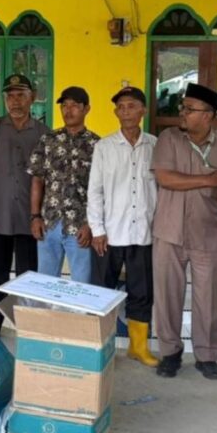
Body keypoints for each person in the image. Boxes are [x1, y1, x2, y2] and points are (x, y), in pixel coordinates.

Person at [152, 83, 217, 380]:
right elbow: (165, 178)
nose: (183, 112)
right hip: (169, 232)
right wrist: (208, 179)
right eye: (183, 107)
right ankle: (170, 353)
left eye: (189, 109)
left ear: (208, 115)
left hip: (208, 234)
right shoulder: (169, 139)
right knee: (167, 296)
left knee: (209, 299)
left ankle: (206, 356)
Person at [87, 86, 159, 367]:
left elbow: (161, 189)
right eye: (121, 107)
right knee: (102, 292)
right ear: (116, 112)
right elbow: (95, 191)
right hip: (110, 234)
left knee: (142, 291)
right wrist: (97, 229)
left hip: (144, 234)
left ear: (143, 110)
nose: (126, 111)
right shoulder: (104, 147)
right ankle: (100, 347)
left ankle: (138, 347)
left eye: (132, 106)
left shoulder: (155, 145)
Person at [0, 73, 48, 333]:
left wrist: (40, 216)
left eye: (21, 95)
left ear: (32, 98)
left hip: (30, 219)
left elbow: (47, 178)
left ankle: (29, 328)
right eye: (10, 96)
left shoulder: (43, 133)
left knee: (29, 276)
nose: (15, 102)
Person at [28, 86, 99, 282]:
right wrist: (35, 217)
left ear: (86, 109)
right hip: (49, 222)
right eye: (64, 106)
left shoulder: (97, 145)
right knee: (45, 283)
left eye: (74, 105)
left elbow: (102, 190)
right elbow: (37, 179)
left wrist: (91, 224)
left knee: (82, 284)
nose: (68, 110)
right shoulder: (48, 140)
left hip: (81, 226)